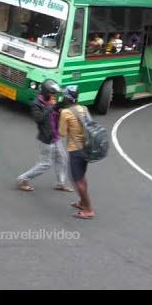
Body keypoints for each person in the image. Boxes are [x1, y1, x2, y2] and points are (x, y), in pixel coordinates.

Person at [16, 79, 71, 192]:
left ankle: (60, 183)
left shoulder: (52, 101)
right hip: (45, 139)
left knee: (62, 158)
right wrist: (50, 107)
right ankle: (22, 179)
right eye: (52, 93)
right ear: (46, 93)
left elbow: (57, 113)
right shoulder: (36, 104)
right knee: (46, 164)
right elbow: (38, 119)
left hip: (55, 137)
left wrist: (60, 105)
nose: (54, 95)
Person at [59, 85, 95, 219]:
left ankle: (89, 209)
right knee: (82, 178)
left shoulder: (65, 113)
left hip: (75, 150)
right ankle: (82, 202)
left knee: (77, 180)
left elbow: (61, 133)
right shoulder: (83, 109)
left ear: (67, 98)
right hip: (86, 148)